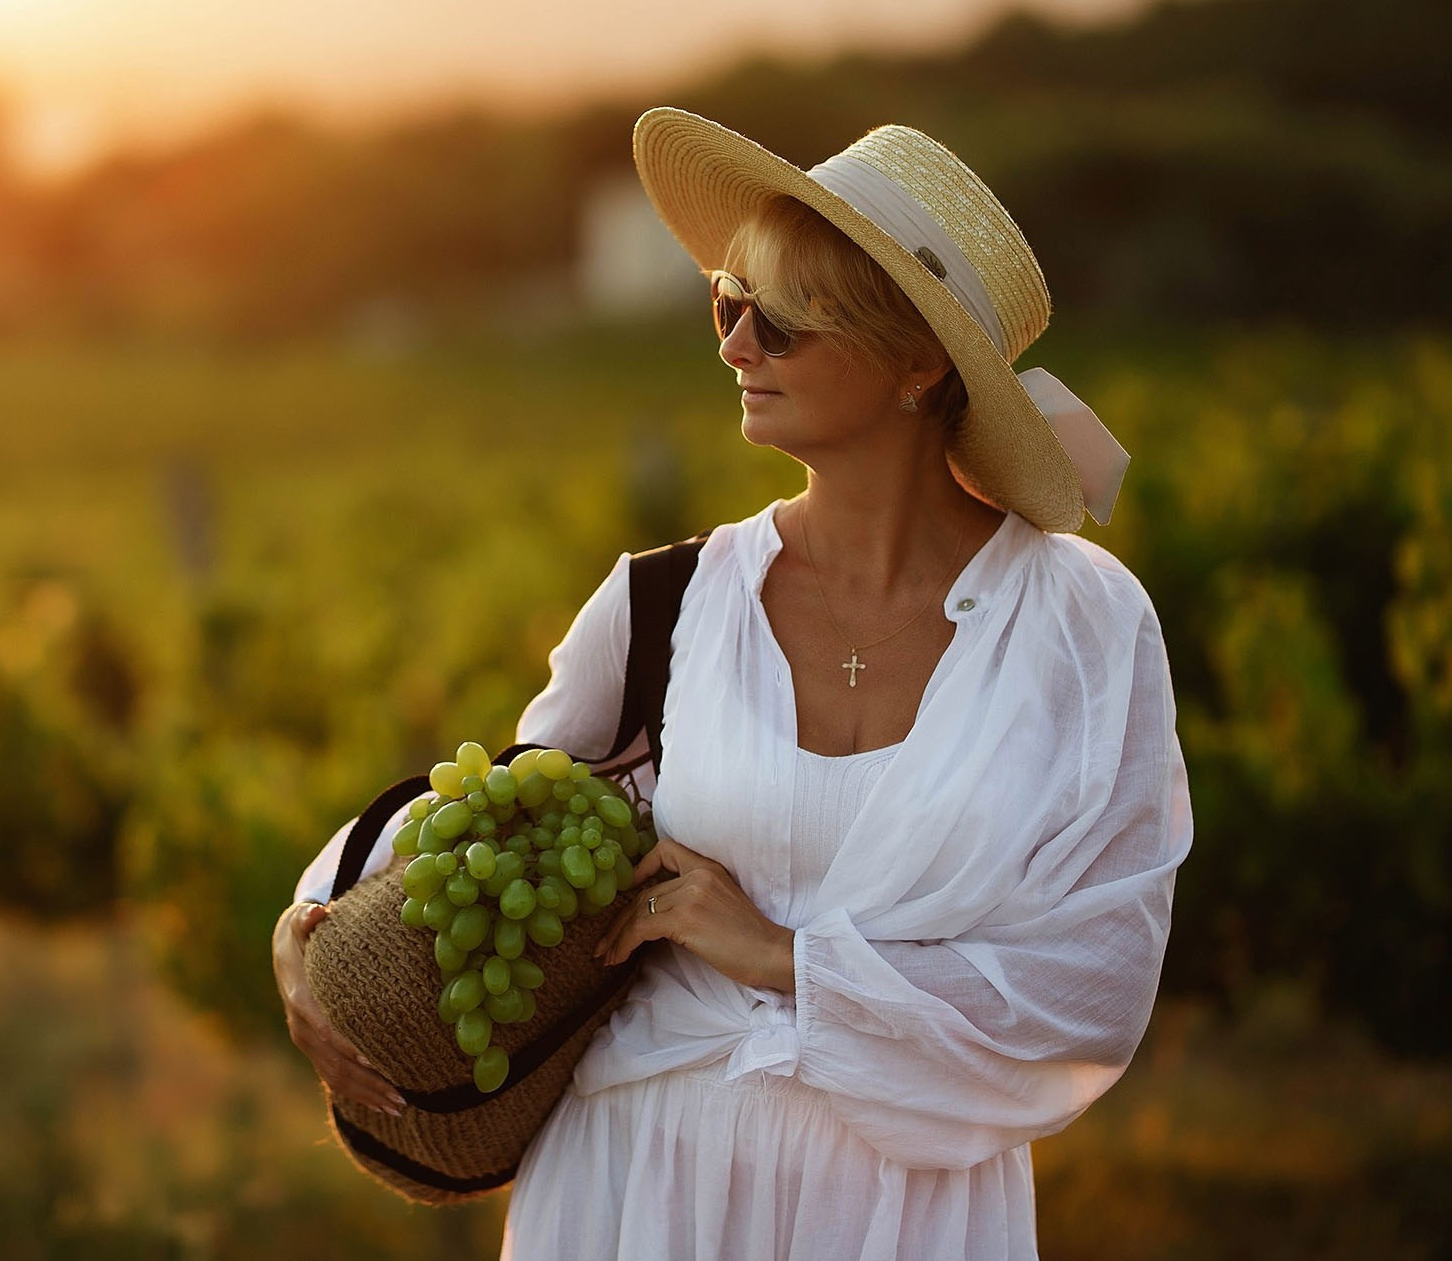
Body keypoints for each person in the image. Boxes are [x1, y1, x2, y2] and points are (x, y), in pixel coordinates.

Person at [271, 110, 1194, 1259]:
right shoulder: (667, 600)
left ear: (917, 363)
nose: (734, 347)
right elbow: (497, 817)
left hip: (901, 1217)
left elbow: (1089, 991)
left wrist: (780, 958)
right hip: (634, 1188)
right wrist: (310, 915)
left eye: (781, 324)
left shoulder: (1081, 626)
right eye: (726, 302)